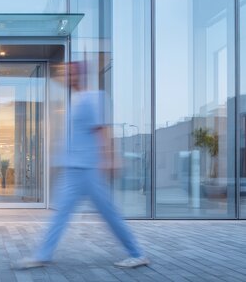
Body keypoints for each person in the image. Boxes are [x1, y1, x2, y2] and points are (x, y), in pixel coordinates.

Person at [13, 61, 149, 269]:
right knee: (61, 213)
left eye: (69, 73)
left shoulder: (91, 99)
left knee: (109, 213)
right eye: (65, 73)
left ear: (79, 75)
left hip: (89, 170)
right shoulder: (73, 101)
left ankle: (137, 253)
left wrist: (109, 158)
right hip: (73, 169)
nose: (65, 77)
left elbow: (101, 130)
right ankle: (43, 254)